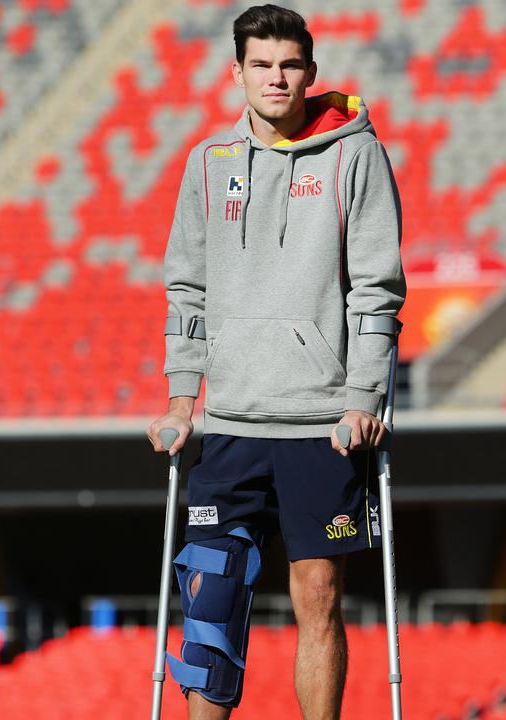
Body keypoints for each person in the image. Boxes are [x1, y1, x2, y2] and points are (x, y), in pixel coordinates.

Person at [146, 5, 405, 719]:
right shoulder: (208, 163)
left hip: (323, 423)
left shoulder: (356, 154)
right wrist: (179, 398)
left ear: (310, 72)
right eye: (261, 64)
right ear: (237, 73)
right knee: (210, 597)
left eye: (289, 64)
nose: (276, 78)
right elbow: (187, 286)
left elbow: (378, 287)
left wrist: (363, 396)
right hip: (231, 418)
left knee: (317, 596)